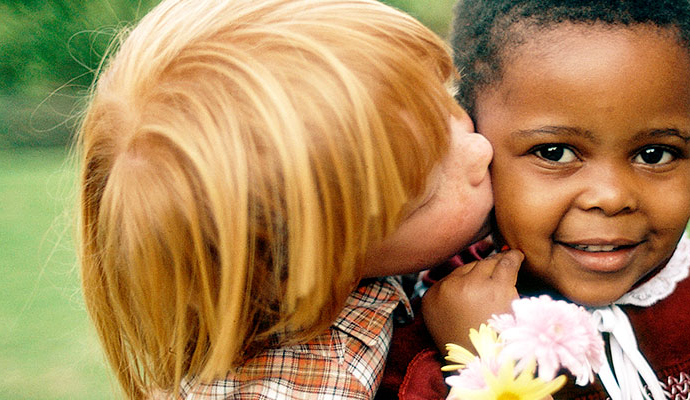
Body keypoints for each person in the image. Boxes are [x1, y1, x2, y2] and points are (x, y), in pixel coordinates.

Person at [76, 0, 497, 398]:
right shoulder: (305, 385)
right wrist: (488, 362)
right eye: (425, 192)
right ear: (293, 274)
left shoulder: (357, 281)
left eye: (446, 97)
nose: (480, 149)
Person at [378, 0, 690, 399]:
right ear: (476, 145)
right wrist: (489, 361)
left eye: (654, 154)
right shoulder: (437, 327)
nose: (612, 197)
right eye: (555, 153)